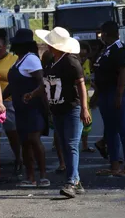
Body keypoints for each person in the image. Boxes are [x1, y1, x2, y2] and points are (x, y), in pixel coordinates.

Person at [35, 27, 92, 198]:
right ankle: (76, 180)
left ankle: (71, 182)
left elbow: (81, 85)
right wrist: (33, 93)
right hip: (57, 109)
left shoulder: (71, 62)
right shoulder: (50, 62)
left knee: (71, 144)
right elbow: (46, 83)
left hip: (72, 108)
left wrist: (84, 108)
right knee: (64, 145)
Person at [4, 29, 49, 188]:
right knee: (24, 141)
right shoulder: (18, 61)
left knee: (34, 140)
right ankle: (30, 177)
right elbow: (12, 85)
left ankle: (43, 176)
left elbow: (42, 82)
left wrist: (33, 95)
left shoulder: (31, 59)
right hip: (20, 108)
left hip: (33, 107)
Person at [94, 21, 125, 176]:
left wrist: (119, 95)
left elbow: (123, 71)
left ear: (105, 34)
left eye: (101, 33)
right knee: (110, 129)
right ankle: (114, 166)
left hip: (116, 90)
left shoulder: (119, 48)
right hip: (105, 91)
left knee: (123, 128)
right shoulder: (105, 49)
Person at [0, 34, 22, 175]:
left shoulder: (14, 60)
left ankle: (19, 159)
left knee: (12, 132)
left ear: (5, 47)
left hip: (8, 102)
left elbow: (16, 79)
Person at [79, 42, 95, 153]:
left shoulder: (88, 63)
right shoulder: (73, 63)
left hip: (86, 97)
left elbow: (88, 79)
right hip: (75, 97)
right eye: (81, 56)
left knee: (87, 122)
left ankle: (85, 145)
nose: (83, 58)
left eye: (85, 56)